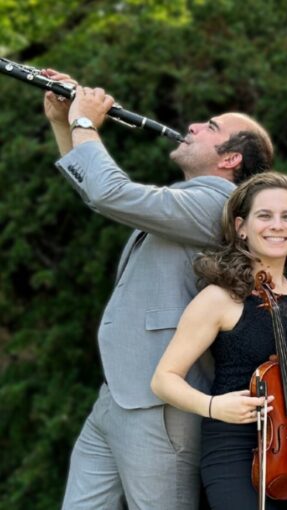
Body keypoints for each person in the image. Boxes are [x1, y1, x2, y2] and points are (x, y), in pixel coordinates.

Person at [43, 69, 274, 510]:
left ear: (230, 160)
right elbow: (97, 190)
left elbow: (110, 194)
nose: (192, 126)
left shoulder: (219, 205)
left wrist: (86, 123)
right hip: (117, 394)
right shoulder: (186, 201)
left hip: (160, 405)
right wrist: (63, 120)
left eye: (210, 127)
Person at [151, 171, 287, 510]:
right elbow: (163, 379)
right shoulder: (220, 298)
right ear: (241, 227)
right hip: (236, 452)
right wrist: (213, 405)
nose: (277, 225)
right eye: (264, 215)